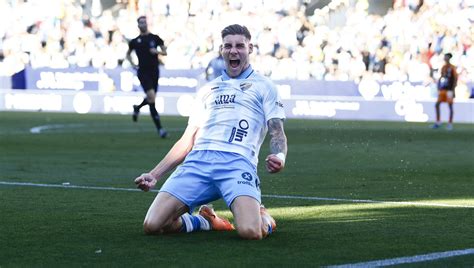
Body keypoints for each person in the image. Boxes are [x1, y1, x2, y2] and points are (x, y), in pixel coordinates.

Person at [134, 24, 288, 240]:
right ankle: (204, 220)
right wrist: (154, 174)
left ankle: (264, 217)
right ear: (222, 50)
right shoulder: (207, 90)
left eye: (239, 46)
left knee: (251, 232)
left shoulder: (265, 86)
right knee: (153, 225)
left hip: (237, 163)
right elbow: (187, 140)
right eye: (228, 46)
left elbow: (277, 132)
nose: (233, 51)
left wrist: (280, 156)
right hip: (198, 162)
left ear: (250, 48)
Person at [127, 16, 168, 138]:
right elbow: (128, 55)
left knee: (152, 101)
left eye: (144, 22)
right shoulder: (135, 41)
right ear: (138, 25)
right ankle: (160, 129)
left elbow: (165, 52)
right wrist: (132, 63)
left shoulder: (155, 38)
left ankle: (137, 107)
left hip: (154, 71)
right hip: (143, 72)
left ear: (147, 24)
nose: (143, 25)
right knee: (151, 97)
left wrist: (157, 52)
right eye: (140, 23)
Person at [432, 53, 458, 130]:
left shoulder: (452, 67)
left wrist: (453, 90)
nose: (445, 58)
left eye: (446, 56)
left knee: (450, 106)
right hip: (443, 89)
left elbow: (455, 79)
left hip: (449, 89)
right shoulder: (443, 67)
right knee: (437, 104)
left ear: (449, 58)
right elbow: (441, 77)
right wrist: (438, 85)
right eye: (445, 56)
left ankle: (450, 123)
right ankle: (438, 121)